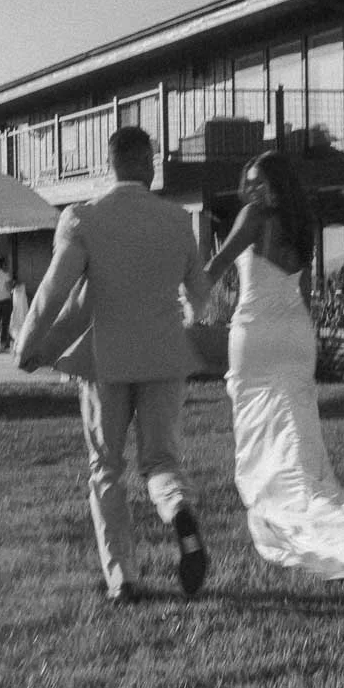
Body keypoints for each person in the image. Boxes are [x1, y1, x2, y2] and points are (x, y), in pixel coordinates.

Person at [204, 151, 344, 580]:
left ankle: (296, 513)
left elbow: (214, 269)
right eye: (248, 182)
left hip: (257, 334)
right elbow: (304, 294)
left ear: (276, 185)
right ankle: (319, 509)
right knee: (298, 437)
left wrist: (178, 295)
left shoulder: (253, 217)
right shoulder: (300, 225)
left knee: (262, 433)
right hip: (296, 333)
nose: (251, 190)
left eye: (259, 182)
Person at [16, 126, 213, 604]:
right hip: (164, 357)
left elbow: (54, 290)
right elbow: (199, 295)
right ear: (150, 163)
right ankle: (179, 513)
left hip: (106, 360)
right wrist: (188, 316)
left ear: (111, 165)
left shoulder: (84, 219)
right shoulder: (177, 220)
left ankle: (122, 578)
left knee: (106, 468)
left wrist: (28, 345)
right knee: (161, 461)